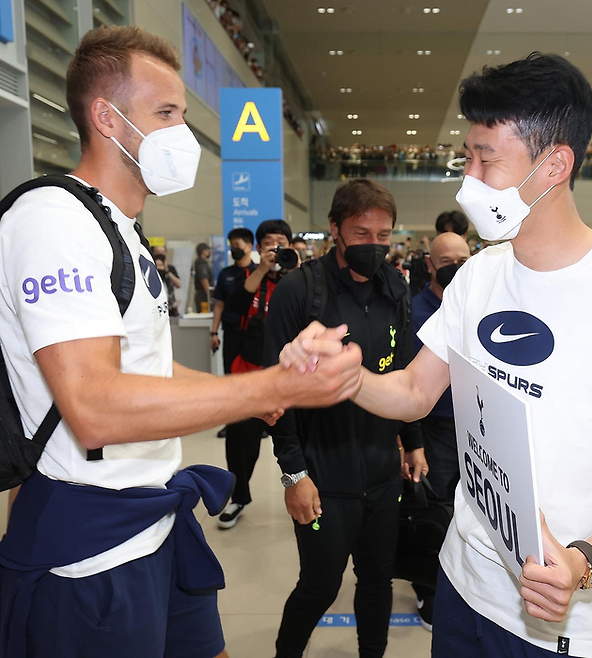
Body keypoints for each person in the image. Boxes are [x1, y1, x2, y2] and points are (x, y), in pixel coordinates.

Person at [0, 25, 363, 658]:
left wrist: (249, 395)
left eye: (183, 116)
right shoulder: (53, 221)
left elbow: (147, 367)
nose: (183, 133)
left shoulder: (122, 231)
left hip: (158, 521)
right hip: (90, 549)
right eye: (165, 114)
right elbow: (95, 407)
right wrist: (276, 384)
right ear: (107, 119)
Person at [281, 53, 592, 658]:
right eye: (468, 157)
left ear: (554, 166)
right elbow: (413, 391)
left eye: (487, 159)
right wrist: (340, 376)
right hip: (464, 581)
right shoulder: (481, 274)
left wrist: (585, 559)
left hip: (559, 619)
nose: (469, 179)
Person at [264, 179, 428, 658]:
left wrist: (412, 439)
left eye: (383, 236)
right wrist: (295, 474)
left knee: (377, 580)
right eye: (361, 235)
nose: (373, 246)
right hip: (322, 472)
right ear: (334, 229)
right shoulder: (300, 291)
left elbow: (403, 367)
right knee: (319, 584)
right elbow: (275, 392)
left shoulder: (394, 287)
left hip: (380, 471)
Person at [217, 220, 298, 529]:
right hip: (249, 375)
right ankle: (238, 496)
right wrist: (263, 270)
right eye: (269, 243)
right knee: (241, 442)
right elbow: (235, 306)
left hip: (292, 378)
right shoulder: (247, 276)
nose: (275, 248)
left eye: (281, 242)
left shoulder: (301, 279)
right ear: (259, 248)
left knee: (302, 440)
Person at [408, 231, 470, 631]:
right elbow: (407, 383)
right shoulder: (416, 310)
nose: (456, 267)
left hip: (473, 426)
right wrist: (409, 442)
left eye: (463, 259)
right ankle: (427, 586)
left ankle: (463, 582)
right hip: (434, 428)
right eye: (447, 261)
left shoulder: (477, 301)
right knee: (434, 508)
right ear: (430, 264)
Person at [209, 227, 256, 371]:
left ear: (248, 247)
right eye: (231, 245)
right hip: (231, 333)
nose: (233, 248)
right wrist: (214, 332)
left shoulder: (258, 273)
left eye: (237, 245)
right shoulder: (225, 274)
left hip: (254, 333)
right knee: (230, 371)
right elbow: (219, 305)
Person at [153, 248, 182, 317]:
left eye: (162, 252)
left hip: (170, 308)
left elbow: (179, 284)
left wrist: (167, 271)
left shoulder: (170, 269)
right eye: (157, 251)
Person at [194, 242, 213, 312]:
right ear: (203, 251)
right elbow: (204, 280)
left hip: (202, 295)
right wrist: (210, 296)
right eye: (208, 250)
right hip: (203, 296)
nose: (209, 252)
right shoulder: (201, 263)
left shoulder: (198, 262)